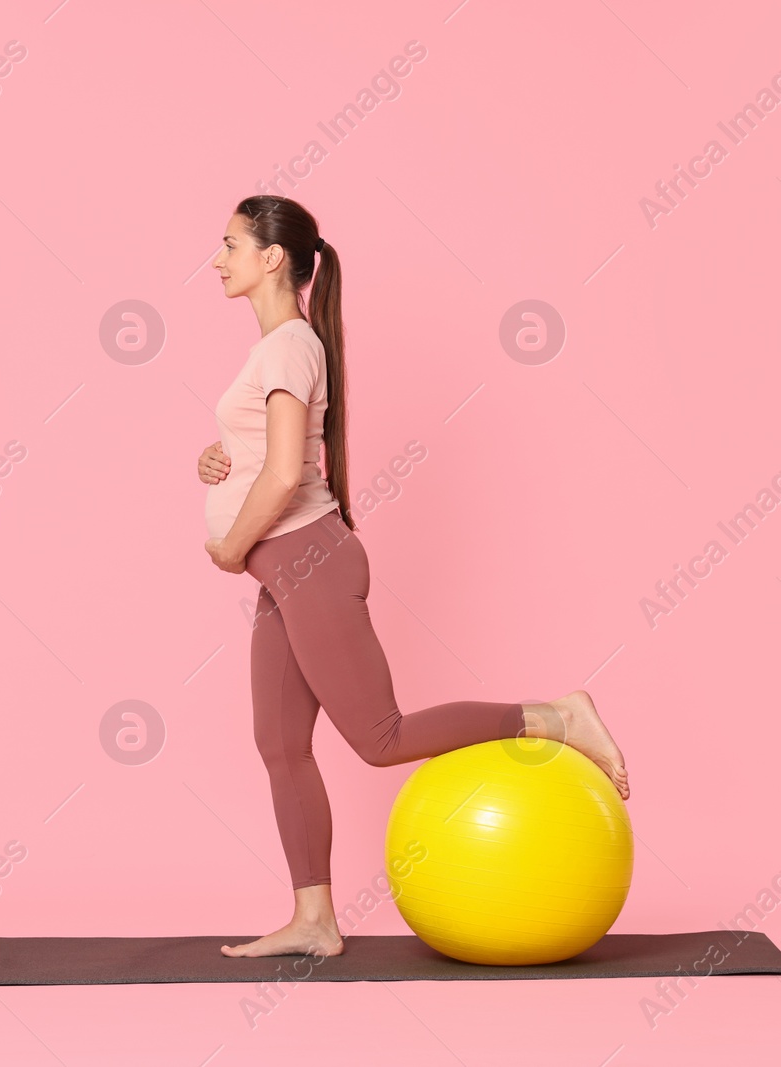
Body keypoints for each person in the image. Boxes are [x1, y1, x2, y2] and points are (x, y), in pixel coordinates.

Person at [199, 195, 628, 959]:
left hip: (306, 560)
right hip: (288, 570)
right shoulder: (275, 351)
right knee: (281, 744)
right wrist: (214, 464)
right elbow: (265, 454)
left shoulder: (290, 345)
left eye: (229, 244)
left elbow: (288, 474)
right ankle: (314, 919)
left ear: (272, 258)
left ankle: (557, 717)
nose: (216, 259)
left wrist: (230, 544)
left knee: (379, 735)